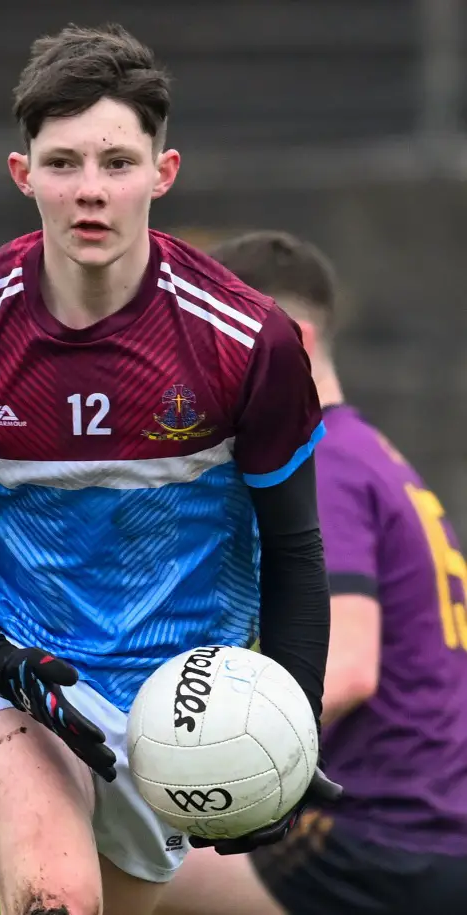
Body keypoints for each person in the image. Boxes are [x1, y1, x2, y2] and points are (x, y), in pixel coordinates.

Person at [0, 26, 338, 915]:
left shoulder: (248, 342)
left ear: (163, 172)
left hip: (181, 695)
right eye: (63, 163)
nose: (90, 189)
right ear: (23, 173)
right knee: (57, 899)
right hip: (16, 665)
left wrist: (292, 730)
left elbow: (294, 550)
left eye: (117, 162)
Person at [157, 230, 467, 915]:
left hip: (380, 842)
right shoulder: (367, 452)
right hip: (428, 829)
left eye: (218, 346)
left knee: (102, 849)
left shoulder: (322, 464)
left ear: (289, 342)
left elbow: (347, 668)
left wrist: (205, 753)